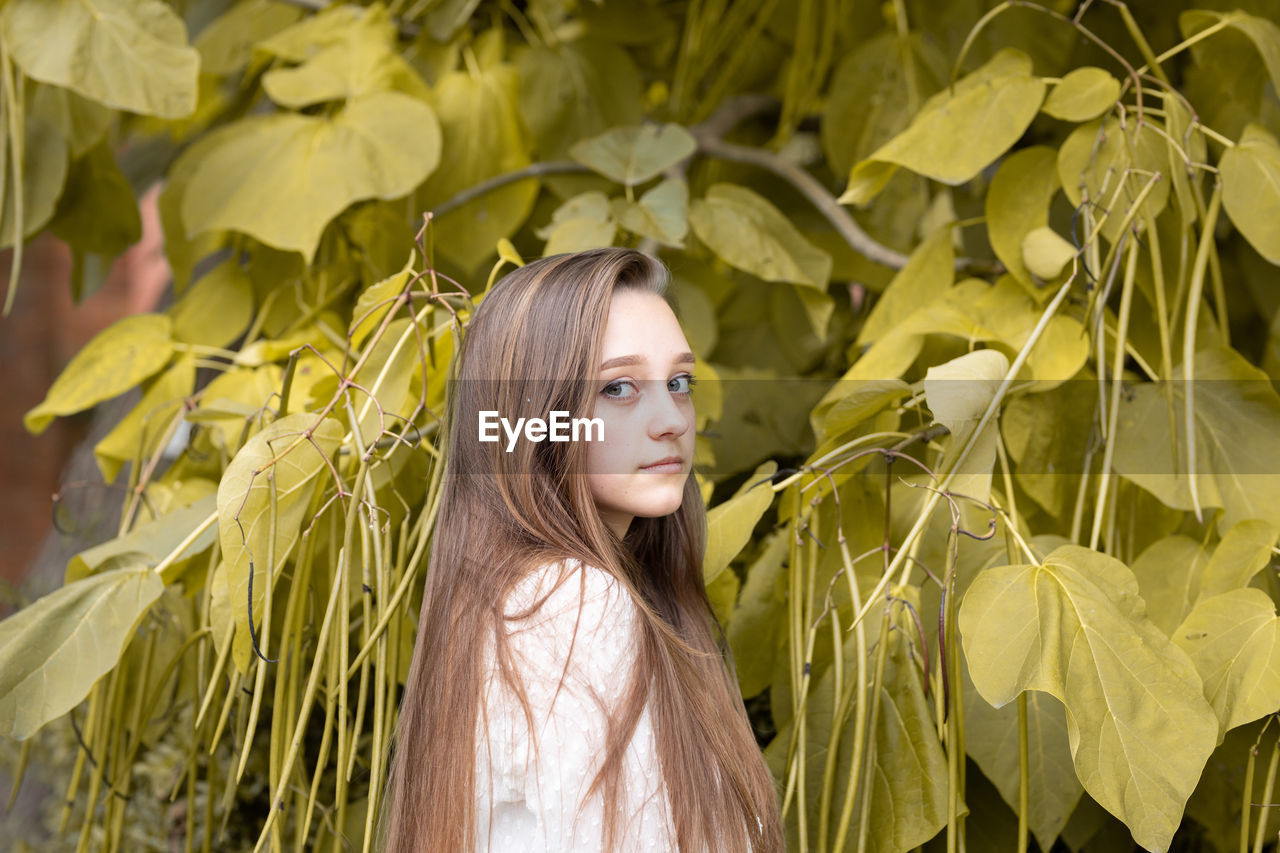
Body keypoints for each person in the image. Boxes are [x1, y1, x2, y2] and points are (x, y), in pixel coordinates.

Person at [375, 248, 784, 852]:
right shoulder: (573, 604)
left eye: (679, 382)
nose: (671, 417)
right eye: (618, 388)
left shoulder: (514, 597)